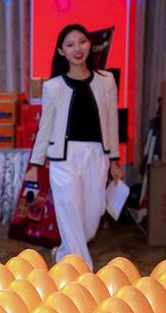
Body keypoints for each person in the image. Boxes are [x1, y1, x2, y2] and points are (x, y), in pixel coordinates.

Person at [27, 24, 122, 269]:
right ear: (61, 51)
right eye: (70, 44)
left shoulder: (107, 80)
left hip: (96, 155)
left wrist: (114, 160)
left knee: (91, 219)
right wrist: (35, 164)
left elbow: (112, 121)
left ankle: (64, 254)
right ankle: (84, 274)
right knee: (70, 215)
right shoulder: (53, 86)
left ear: (90, 45)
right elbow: (44, 128)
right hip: (63, 159)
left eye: (82, 42)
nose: (77, 48)